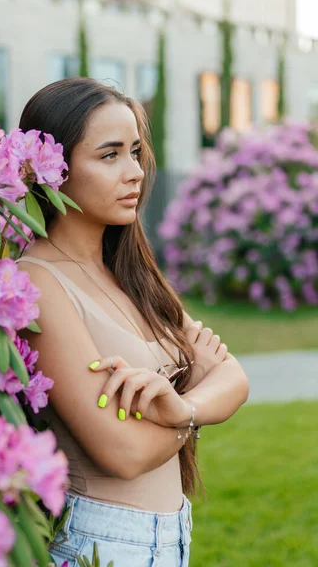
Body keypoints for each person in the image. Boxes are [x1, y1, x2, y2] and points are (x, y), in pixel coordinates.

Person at [16, 77, 249, 567]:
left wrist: (178, 410)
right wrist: (193, 409)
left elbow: (235, 378)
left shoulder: (130, 272)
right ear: (51, 168)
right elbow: (121, 452)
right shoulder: (36, 282)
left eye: (136, 151)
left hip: (170, 536)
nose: (135, 172)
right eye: (109, 155)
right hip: (101, 541)